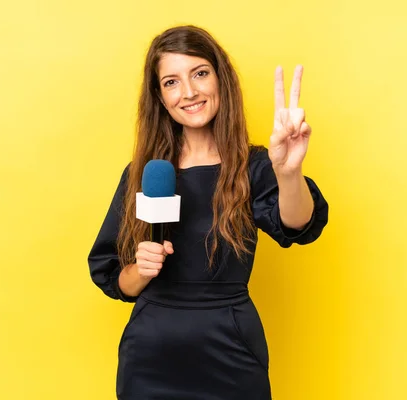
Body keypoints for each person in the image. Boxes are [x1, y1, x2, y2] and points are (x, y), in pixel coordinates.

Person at [88, 24, 329, 400]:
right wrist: (140, 270)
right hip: (150, 355)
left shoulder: (254, 166)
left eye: (199, 73)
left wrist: (288, 173)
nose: (188, 92)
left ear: (220, 79)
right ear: (160, 96)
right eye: (171, 82)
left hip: (229, 349)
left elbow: (297, 226)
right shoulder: (145, 173)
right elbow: (113, 277)